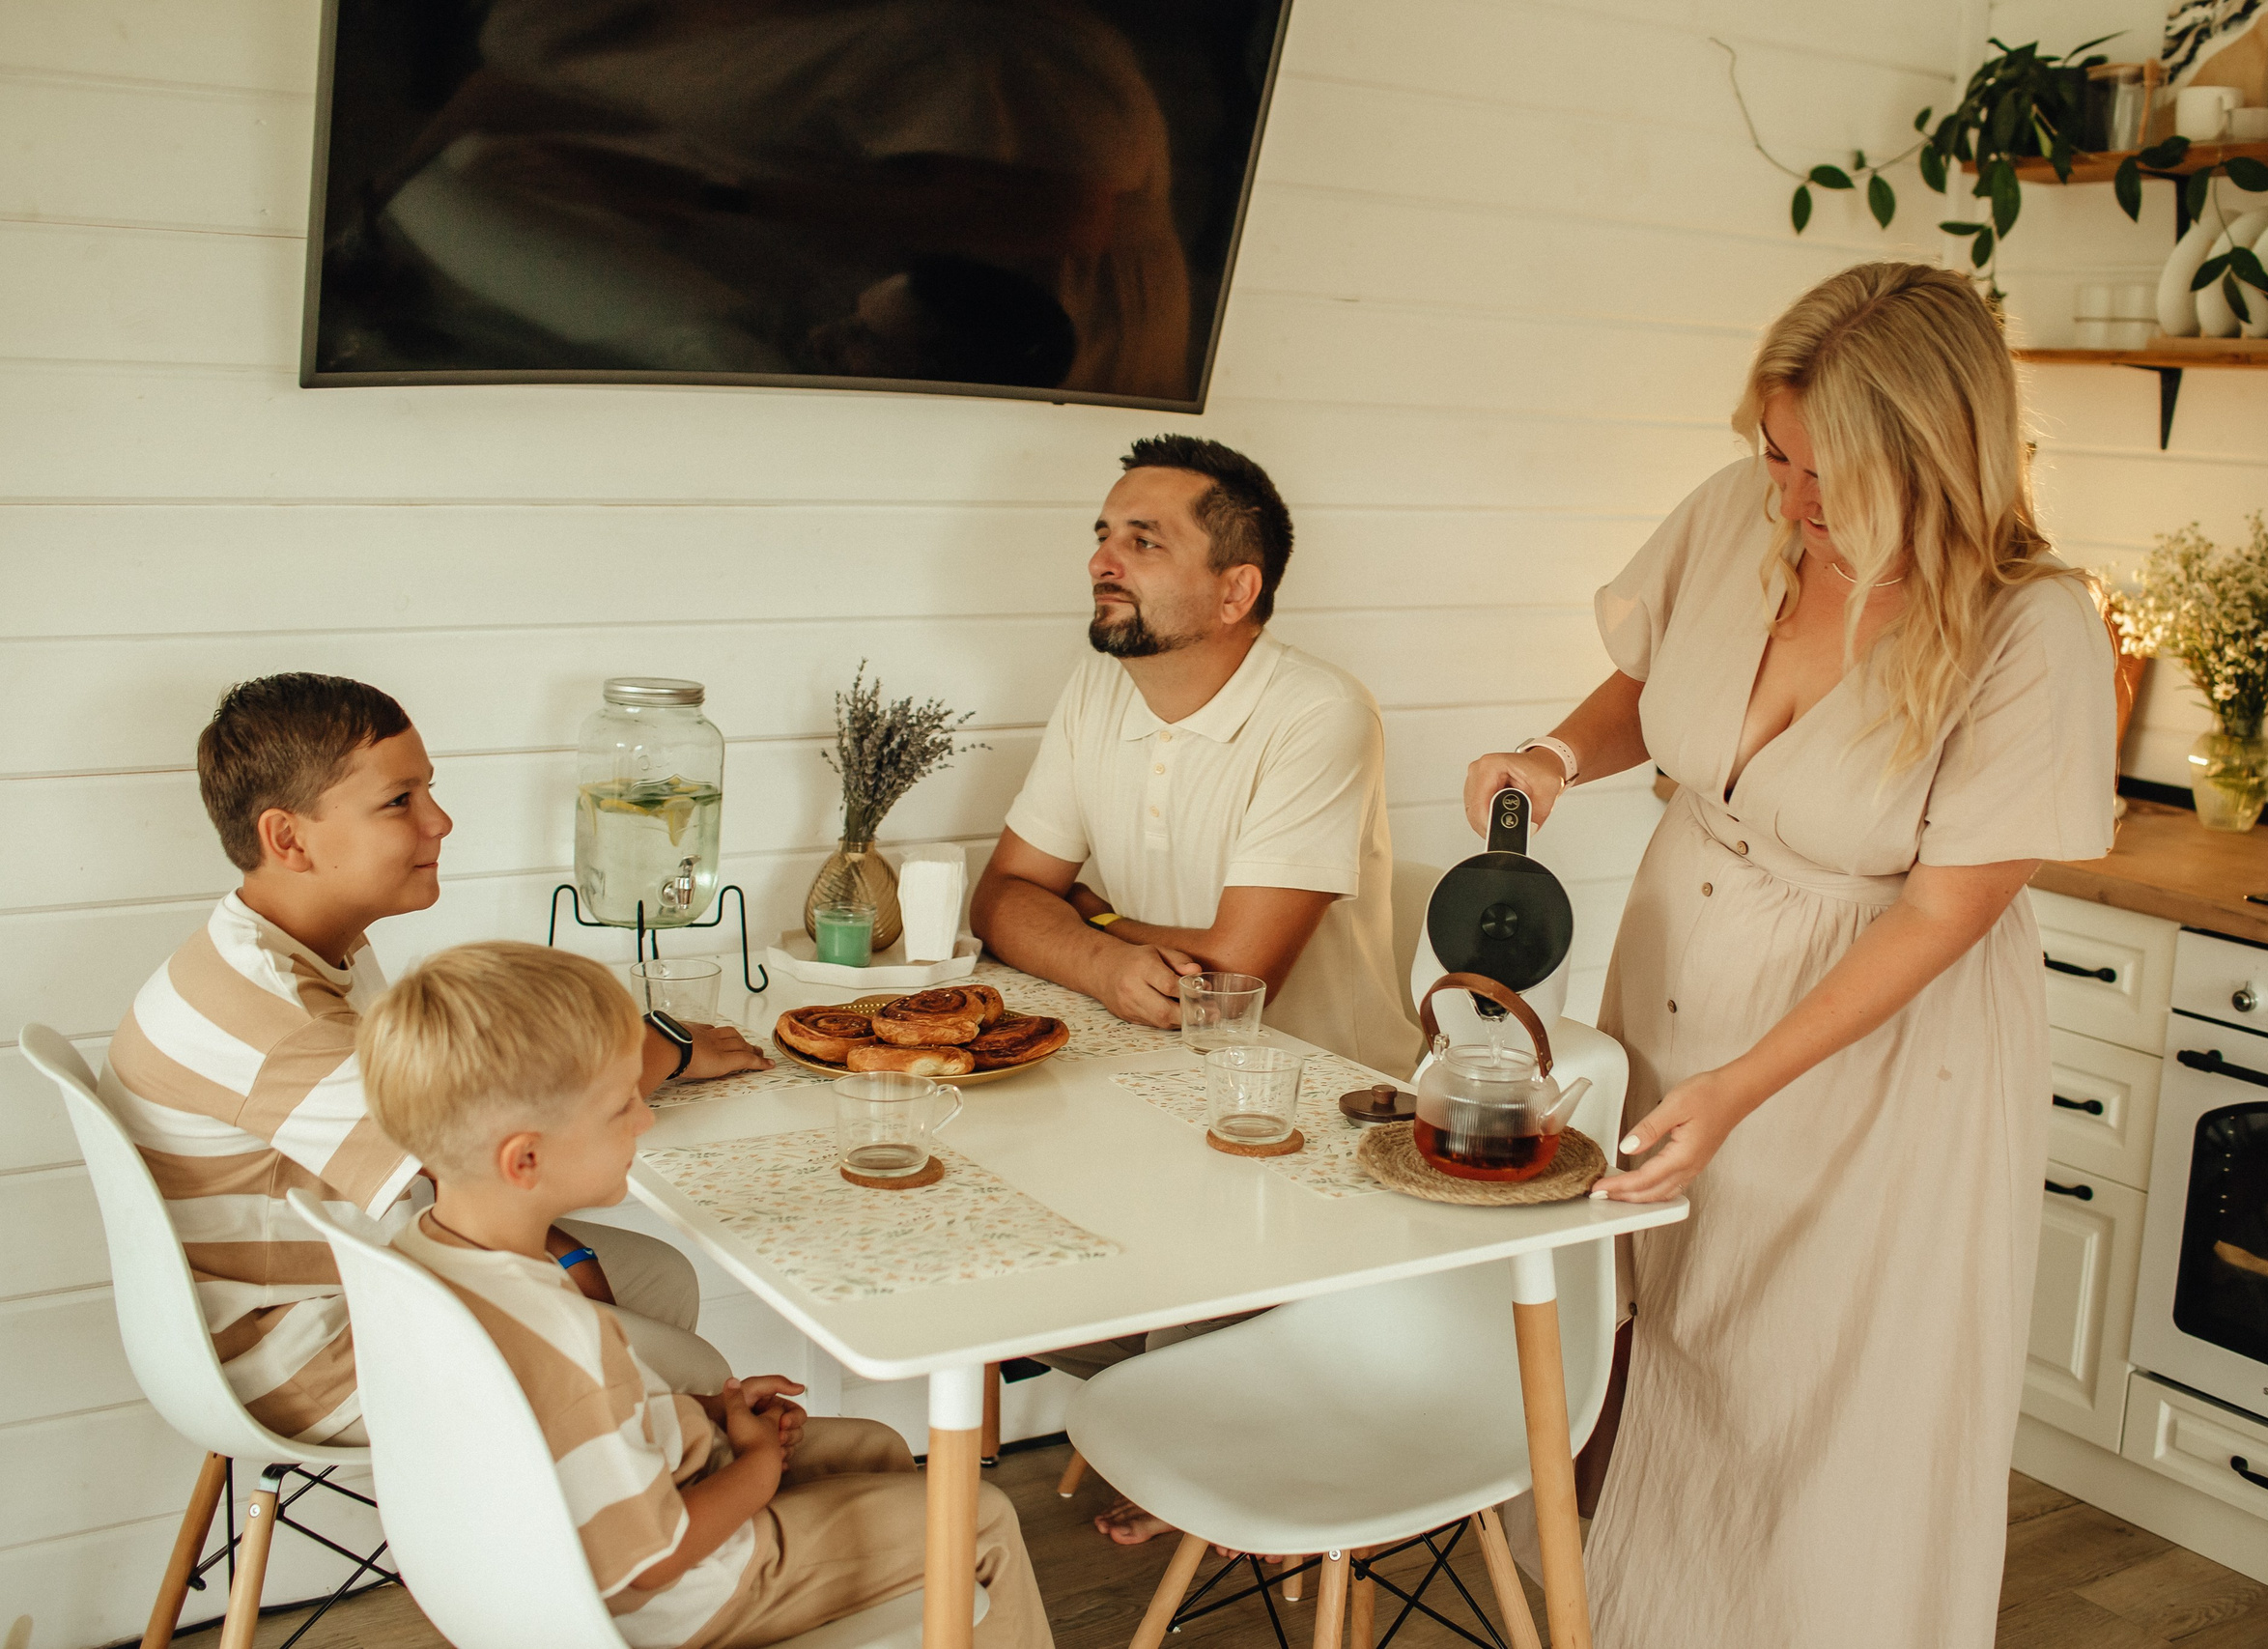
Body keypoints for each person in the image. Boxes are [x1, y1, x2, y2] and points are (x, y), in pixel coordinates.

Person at [1460, 264, 2115, 1648]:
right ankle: (1602, 1618)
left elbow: (1946, 912)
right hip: (1677, 964)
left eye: (1836, 474)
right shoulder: (1737, 519)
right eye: (1779, 454)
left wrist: (1742, 1085)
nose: (1794, 500)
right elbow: (1650, 687)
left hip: (1873, 1047)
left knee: (1805, 1387)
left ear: (1939, 453)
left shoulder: (2030, 623)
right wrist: (1556, 752)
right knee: (1637, 1330)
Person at [100, 673, 766, 1445]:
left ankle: (595, 1490)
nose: (440, 820)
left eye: (430, 791)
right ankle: (606, 1525)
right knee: (696, 1370)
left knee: (662, 1279)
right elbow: (488, 1152)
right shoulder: (277, 1016)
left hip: (330, 1270)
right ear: (288, 838)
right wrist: (661, 1052)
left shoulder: (296, 946)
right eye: (400, 800)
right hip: (305, 1349)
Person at [362, 942, 1052, 1649]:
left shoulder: (418, 1253)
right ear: (525, 1158)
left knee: (874, 1446)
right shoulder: (566, 1334)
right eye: (620, 1106)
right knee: (980, 1517)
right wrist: (755, 1464)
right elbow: (650, 1562)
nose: (645, 1119)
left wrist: (707, 1411)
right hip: (686, 1596)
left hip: (577, 1534)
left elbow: (566, 1430)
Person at [972, 434, 1421, 1079]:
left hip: (1324, 1094)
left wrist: (1092, 916)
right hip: (1152, 1070)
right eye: (1104, 536)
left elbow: (1231, 983)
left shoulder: (1322, 713)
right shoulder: (1096, 685)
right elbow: (999, 898)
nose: (1102, 560)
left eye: (1143, 541)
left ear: (1236, 592)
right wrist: (1103, 963)